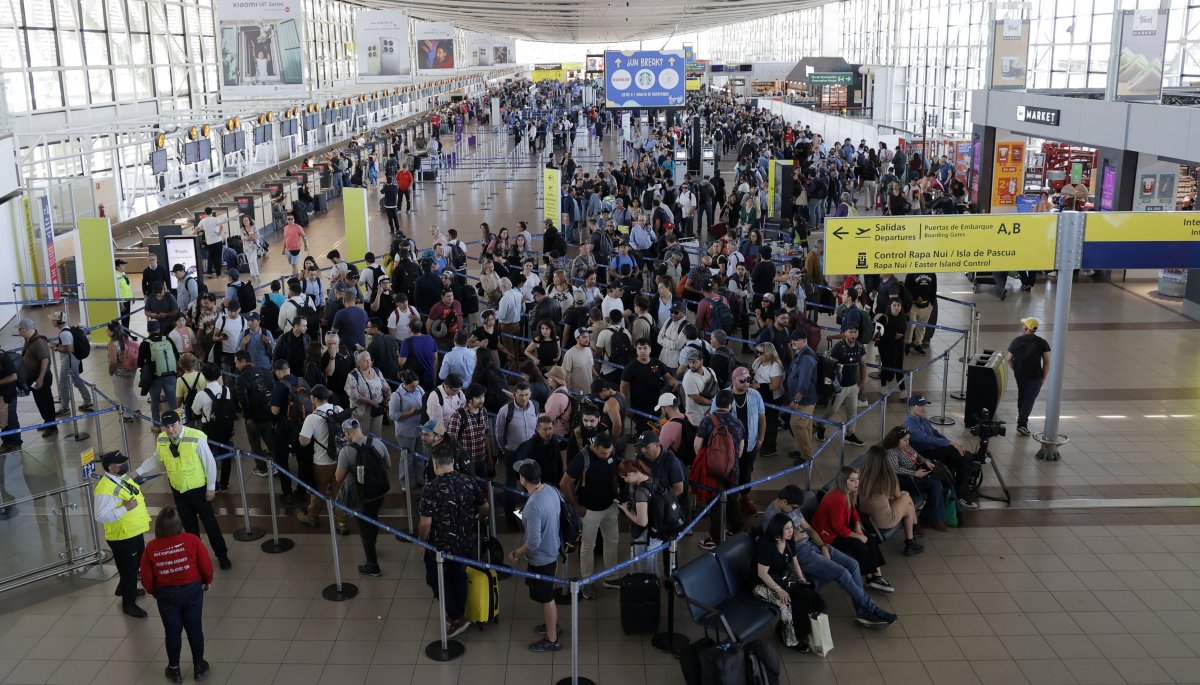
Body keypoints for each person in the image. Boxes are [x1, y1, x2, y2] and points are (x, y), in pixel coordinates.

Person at [764, 485, 896, 627]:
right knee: (842, 573)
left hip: (814, 545)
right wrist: (793, 537)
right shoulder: (771, 518)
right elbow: (776, 547)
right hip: (801, 554)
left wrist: (822, 546)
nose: (796, 510)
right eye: (794, 507)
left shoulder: (792, 509)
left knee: (853, 564)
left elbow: (809, 529)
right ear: (784, 502)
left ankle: (862, 612)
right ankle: (873, 609)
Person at [135, 411, 232, 569]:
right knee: (189, 528)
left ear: (180, 422)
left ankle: (222, 555)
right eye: (166, 427)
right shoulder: (162, 439)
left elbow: (209, 463)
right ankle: (196, 557)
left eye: (173, 425)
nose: (170, 430)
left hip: (198, 489)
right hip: (178, 490)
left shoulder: (196, 436)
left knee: (210, 524)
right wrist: (138, 472)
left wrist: (211, 487)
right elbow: (155, 458)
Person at [419, 444, 487, 637]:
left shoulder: (431, 488)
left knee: (436, 580)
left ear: (434, 463)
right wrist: (478, 518)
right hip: (465, 542)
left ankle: (457, 617)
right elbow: (485, 506)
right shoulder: (468, 481)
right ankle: (459, 611)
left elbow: (425, 523)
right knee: (459, 576)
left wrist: (422, 542)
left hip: (440, 547)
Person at [140, 505, 212, 684]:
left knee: (172, 632)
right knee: (194, 629)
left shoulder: (151, 547)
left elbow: (146, 576)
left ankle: (174, 670)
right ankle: (199, 667)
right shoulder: (192, 540)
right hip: (192, 590)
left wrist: (153, 591)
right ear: (178, 524)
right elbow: (206, 565)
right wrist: (206, 581)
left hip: (166, 594)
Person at [753, 513, 828, 651]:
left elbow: (796, 563)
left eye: (791, 527)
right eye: (787, 528)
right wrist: (779, 590)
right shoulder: (766, 545)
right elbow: (762, 574)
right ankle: (789, 640)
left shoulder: (789, 540)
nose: (791, 531)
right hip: (760, 584)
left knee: (809, 596)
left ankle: (796, 630)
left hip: (781, 579)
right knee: (785, 603)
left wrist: (801, 580)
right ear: (777, 529)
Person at [560, 430, 621, 599]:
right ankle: (587, 581)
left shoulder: (611, 452)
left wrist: (617, 496)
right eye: (602, 453)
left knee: (612, 541)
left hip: (609, 506)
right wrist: (578, 507)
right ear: (594, 446)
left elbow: (614, 473)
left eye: (608, 453)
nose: (606, 455)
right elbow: (564, 484)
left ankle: (611, 577)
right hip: (589, 510)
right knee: (588, 546)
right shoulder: (582, 459)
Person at [509, 458, 562, 652]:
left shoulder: (532, 507)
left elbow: (533, 543)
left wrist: (516, 553)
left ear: (523, 479)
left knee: (546, 597)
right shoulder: (550, 489)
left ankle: (552, 638)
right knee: (546, 594)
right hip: (554, 549)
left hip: (543, 558)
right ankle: (551, 625)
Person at [93, 450, 150, 618]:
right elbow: (100, 516)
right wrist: (125, 508)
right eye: (121, 463)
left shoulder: (120, 477)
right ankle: (129, 603)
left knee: (136, 562)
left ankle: (124, 587)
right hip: (122, 535)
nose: (124, 465)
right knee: (130, 570)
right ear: (111, 468)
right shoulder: (104, 489)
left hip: (134, 530)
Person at [903, 394, 981, 510]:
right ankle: (961, 495)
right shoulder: (909, 423)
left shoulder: (922, 419)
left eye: (924, 405)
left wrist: (950, 443)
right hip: (924, 454)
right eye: (919, 406)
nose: (923, 408)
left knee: (962, 457)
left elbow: (935, 433)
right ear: (911, 407)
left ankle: (961, 488)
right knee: (962, 458)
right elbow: (925, 439)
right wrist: (949, 442)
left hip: (934, 450)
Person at [335, 418, 391, 576]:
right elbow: (388, 465)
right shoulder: (377, 442)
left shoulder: (346, 451)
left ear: (346, 432)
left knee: (364, 529)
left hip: (362, 495)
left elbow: (338, 477)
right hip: (380, 491)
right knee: (374, 517)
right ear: (360, 428)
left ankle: (372, 565)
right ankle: (373, 544)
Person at [695, 390, 745, 550]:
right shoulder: (738, 422)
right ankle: (737, 531)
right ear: (731, 405)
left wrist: (709, 461)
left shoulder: (707, 421)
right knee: (732, 499)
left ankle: (716, 538)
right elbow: (741, 448)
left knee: (715, 502)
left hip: (712, 469)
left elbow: (697, 444)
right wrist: (731, 462)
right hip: (733, 470)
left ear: (716, 402)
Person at [856, 448, 925, 555]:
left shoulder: (859, 473)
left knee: (908, 507)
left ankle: (913, 536)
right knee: (906, 497)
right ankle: (913, 534)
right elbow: (897, 495)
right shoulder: (888, 477)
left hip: (863, 519)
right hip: (882, 521)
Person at [882, 425, 950, 530]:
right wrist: (915, 473)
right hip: (905, 479)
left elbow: (917, 455)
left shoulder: (906, 446)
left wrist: (925, 461)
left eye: (908, 439)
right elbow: (895, 469)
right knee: (935, 484)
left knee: (939, 483)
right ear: (896, 440)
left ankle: (932, 518)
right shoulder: (892, 452)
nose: (907, 442)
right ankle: (933, 519)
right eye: (905, 440)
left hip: (916, 473)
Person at [1006, 316, 1051, 437]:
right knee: (1029, 399)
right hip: (1035, 375)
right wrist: (1043, 378)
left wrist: (1016, 369)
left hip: (1020, 375)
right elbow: (1047, 362)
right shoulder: (1042, 342)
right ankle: (1022, 423)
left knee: (1023, 395)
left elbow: (1009, 359)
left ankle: (1021, 419)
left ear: (1026, 327)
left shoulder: (1016, 341)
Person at [821, 325, 866, 445]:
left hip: (853, 386)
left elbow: (862, 364)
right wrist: (829, 386)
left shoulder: (860, 346)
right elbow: (830, 367)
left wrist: (861, 382)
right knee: (832, 410)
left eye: (855, 332)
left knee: (853, 411)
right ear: (846, 333)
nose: (852, 335)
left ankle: (850, 434)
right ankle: (820, 426)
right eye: (850, 332)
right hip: (840, 387)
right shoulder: (839, 347)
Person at [49, 312, 93, 416]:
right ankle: (87, 401)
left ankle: (65, 408)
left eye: (53, 320)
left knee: (63, 384)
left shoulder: (64, 333)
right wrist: (59, 344)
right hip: (74, 359)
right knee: (77, 380)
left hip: (69, 361)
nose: (52, 321)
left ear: (59, 321)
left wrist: (55, 348)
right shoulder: (67, 328)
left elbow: (68, 349)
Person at [17, 319, 56, 434]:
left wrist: (40, 378)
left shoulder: (38, 342)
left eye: (20, 329)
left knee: (46, 401)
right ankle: (47, 421)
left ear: (27, 329)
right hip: (33, 378)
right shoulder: (29, 340)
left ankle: (52, 426)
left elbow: (45, 360)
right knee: (39, 401)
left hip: (41, 378)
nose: (19, 331)